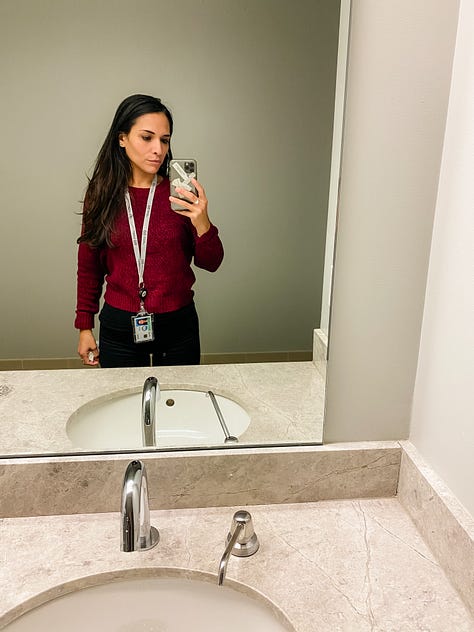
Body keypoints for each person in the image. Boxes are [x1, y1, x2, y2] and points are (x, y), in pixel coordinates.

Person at [75, 94, 224, 368]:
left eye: (164, 140)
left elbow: (211, 262)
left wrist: (202, 222)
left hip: (178, 326)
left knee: (178, 407)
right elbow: (88, 265)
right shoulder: (101, 195)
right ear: (122, 138)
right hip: (119, 327)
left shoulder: (179, 194)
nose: (158, 149)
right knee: (123, 407)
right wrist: (85, 326)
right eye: (147, 137)